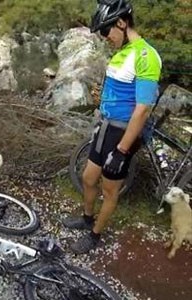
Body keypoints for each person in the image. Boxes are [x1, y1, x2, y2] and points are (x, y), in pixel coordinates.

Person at [62, 0, 162, 254]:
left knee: (109, 189)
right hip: (106, 126)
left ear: (121, 22)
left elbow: (142, 109)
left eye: (106, 31)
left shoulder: (146, 55)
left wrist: (122, 150)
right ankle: (86, 218)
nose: (104, 37)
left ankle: (95, 235)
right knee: (88, 177)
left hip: (122, 133)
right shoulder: (122, 52)